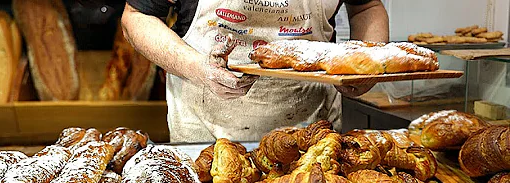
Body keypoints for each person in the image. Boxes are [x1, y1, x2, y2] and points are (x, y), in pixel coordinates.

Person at [121, 0, 389, 142]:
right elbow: (137, 17)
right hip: (206, 136)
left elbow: (366, 8)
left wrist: (369, 64)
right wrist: (197, 67)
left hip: (312, 137)